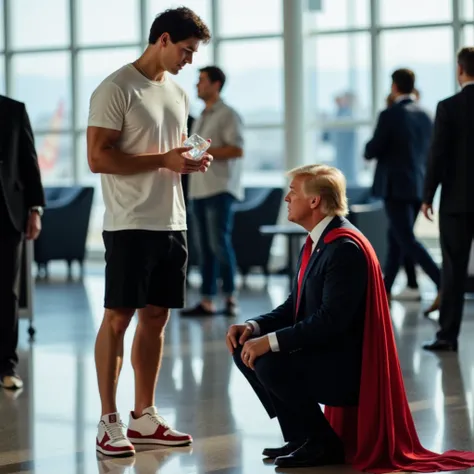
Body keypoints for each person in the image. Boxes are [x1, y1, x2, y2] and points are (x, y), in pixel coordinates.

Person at [226, 164, 474, 472]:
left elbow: (330, 321)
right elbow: (295, 305)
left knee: (267, 360)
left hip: (347, 371)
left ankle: (322, 444)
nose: (287, 198)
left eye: (293, 192)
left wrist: (271, 343)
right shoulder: (320, 241)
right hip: (325, 354)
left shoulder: (343, 248)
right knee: (245, 346)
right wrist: (254, 326)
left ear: (314, 201)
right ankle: (301, 437)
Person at [87, 7, 211, 457]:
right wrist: (163, 160)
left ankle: (144, 415)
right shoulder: (115, 89)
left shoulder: (178, 94)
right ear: (162, 39)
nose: (190, 61)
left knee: (156, 318)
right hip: (129, 223)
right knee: (118, 319)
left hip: (171, 220)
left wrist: (188, 160)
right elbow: (98, 159)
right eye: (186, 50)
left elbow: (170, 154)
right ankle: (108, 420)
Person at [364, 69, 440, 310]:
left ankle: (442, 281)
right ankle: (385, 290)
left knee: (405, 238)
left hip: (395, 186)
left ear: (394, 86)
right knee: (396, 238)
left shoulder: (390, 114)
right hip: (418, 185)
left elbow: (371, 150)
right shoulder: (427, 114)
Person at [422, 47, 474, 352]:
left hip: (455, 202)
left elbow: (437, 155)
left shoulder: (448, 107)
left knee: (453, 270)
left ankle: (447, 337)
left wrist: (428, 196)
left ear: (460, 70)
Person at [181, 66, 244, 317]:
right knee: (204, 248)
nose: (197, 85)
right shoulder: (202, 117)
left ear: (216, 84)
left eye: (202, 81)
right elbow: (193, 148)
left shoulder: (228, 114)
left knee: (219, 244)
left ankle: (230, 297)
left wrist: (206, 153)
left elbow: (236, 150)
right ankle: (207, 301)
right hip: (198, 190)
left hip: (220, 189)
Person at [0, 97, 45, 390]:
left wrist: (35, 209)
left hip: (8, 213)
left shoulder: (14, 110)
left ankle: (6, 365)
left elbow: (29, 161)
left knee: (7, 292)